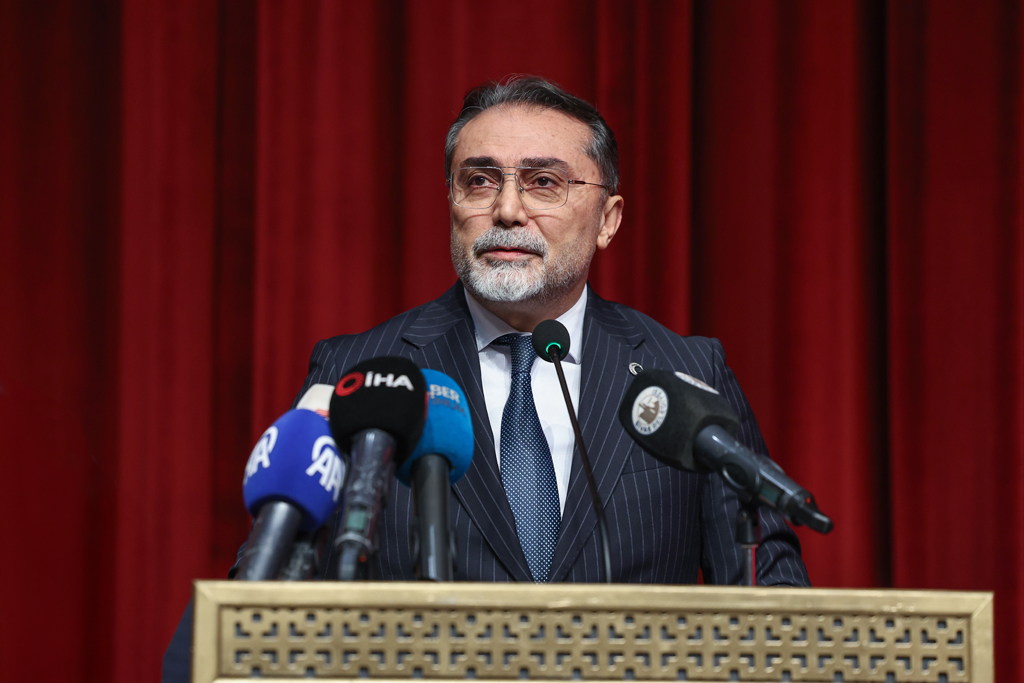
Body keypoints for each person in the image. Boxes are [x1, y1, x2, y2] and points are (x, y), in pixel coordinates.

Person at [163, 75, 808, 681]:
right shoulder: (359, 371)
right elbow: (265, 597)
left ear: (608, 219)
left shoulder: (688, 372)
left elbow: (771, 599)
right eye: (479, 181)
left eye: (543, 183)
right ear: (451, 201)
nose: (506, 209)